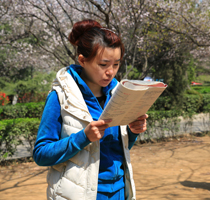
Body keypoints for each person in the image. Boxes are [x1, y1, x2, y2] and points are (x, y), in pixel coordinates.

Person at [33, 19, 148, 200]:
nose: (111, 72)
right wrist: (83, 137)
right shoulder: (60, 97)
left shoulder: (118, 94)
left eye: (116, 64)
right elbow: (41, 154)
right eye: (103, 65)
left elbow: (117, 149)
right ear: (82, 60)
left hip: (120, 192)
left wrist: (133, 132)